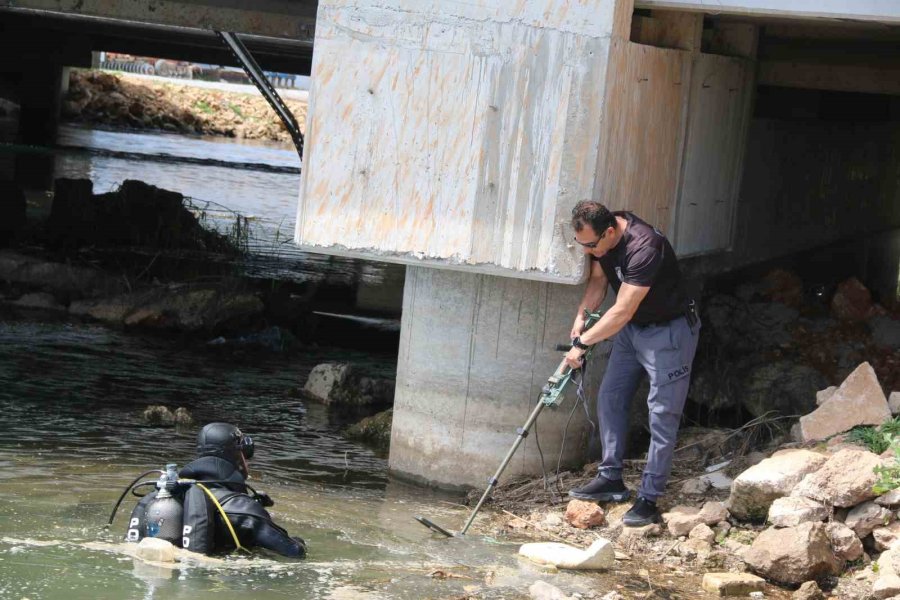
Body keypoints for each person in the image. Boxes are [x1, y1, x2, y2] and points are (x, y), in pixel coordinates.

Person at [564, 201, 700, 527]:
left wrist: (583, 344)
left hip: (668, 333)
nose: (586, 251)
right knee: (611, 396)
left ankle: (649, 499)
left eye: (590, 245)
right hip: (633, 331)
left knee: (661, 415)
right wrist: (581, 317)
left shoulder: (645, 247)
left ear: (609, 232)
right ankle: (610, 478)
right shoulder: (602, 241)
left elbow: (622, 309)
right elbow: (599, 282)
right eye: (581, 244)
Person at [126, 422, 306, 558]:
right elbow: (295, 553)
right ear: (237, 456)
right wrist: (299, 541)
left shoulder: (160, 498)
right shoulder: (244, 511)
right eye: (246, 454)